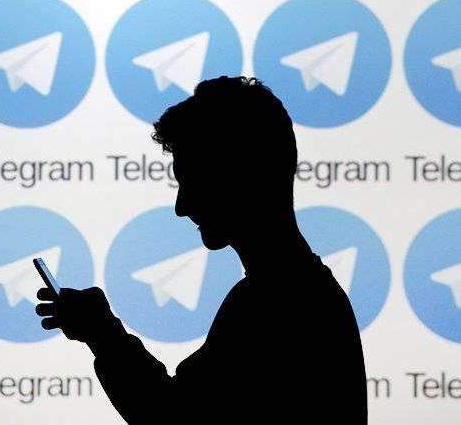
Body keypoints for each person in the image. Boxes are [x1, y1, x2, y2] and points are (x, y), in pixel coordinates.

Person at [36, 76, 367, 423]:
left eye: (194, 182)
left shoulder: (278, 303)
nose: (182, 207)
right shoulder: (297, 293)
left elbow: (169, 416)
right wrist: (103, 334)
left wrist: (103, 334)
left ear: (242, 178)